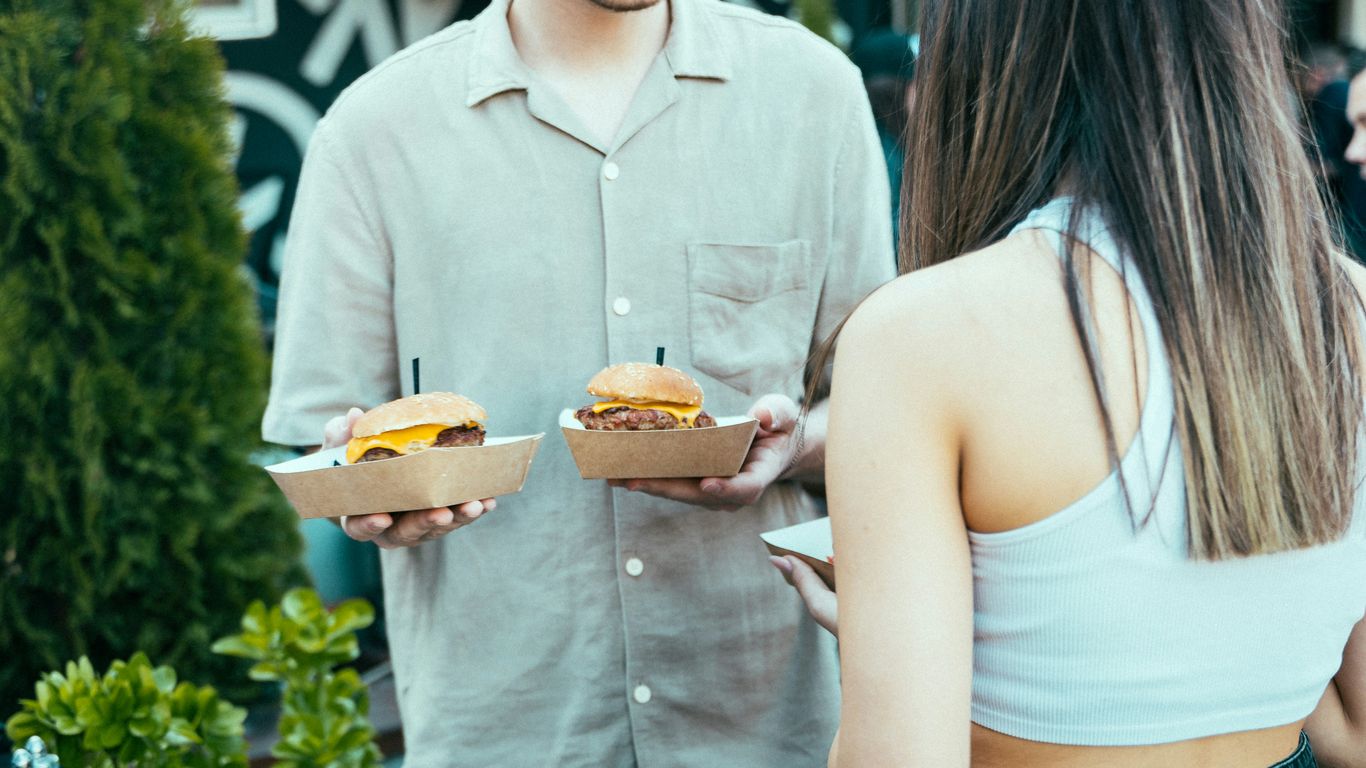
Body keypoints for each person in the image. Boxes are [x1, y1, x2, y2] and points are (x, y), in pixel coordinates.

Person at [261, 0, 893, 763]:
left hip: (760, 725)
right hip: (508, 725)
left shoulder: (812, 93)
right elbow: (333, 433)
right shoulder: (372, 132)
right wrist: (369, 497)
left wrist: (791, 447)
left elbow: (881, 406)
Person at [774, 1, 1366, 766]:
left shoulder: (922, 335)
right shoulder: (1349, 309)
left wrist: (905, 636)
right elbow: (1355, 732)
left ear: (986, 53)